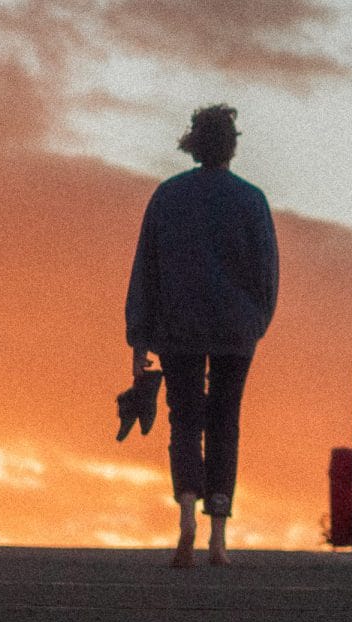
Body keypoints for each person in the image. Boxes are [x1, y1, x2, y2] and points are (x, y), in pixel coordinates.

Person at [125, 104, 279, 568]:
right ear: (231, 146)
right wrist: (256, 321)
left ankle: (187, 512)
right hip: (235, 326)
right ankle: (218, 531)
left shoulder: (167, 197)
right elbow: (266, 274)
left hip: (178, 324)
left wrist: (139, 337)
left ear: (192, 144)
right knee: (225, 420)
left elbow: (145, 271)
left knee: (185, 419)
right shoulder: (252, 200)